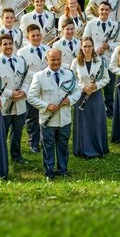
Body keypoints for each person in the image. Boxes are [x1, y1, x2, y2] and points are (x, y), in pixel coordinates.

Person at [27, 48, 82, 180]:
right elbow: (31, 97)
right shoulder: (39, 76)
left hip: (64, 118)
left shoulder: (69, 74)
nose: (56, 62)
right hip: (47, 119)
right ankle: (49, 172)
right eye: (53, 60)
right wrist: (47, 106)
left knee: (63, 145)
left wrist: (70, 100)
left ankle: (62, 170)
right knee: (48, 146)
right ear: (47, 60)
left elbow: (77, 91)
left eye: (58, 59)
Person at [0, 34, 29, 165]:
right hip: (4, 104)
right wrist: (10, 93)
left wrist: (23, 91)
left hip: (19, 102)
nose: (8, 46)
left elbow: (26, 79)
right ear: (0, 45)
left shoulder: (20, 60)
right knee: (2, 133)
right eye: (5, 44)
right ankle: (0, 157)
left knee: (18, 132)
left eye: (10, 43)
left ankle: (16, 156)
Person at [71, 37, 110, 159]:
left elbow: (106, 78)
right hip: (81, 96)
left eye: (89, 46)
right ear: (81, 48)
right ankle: (82, 148)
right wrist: (83, 88)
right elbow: (72, 80)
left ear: (93, 47)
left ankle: (97, 148)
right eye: (85, 46)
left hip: (96, 94)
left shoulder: (100, 60)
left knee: (96, 121)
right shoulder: (75, 62)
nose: (87, 49)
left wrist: (96, 86)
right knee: (82, 122)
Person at [17, 24, 51, 154]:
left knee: (46, 114)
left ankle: (45, 140)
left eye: (38, 35)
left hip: (47, 87)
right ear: (28, 37)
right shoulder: (22, 52)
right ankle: (33, 142)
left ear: (41, 36)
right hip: (32, 87)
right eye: (33, 36)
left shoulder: (48, 49)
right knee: (32, 117)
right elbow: (22, 72)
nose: (36, 38)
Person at [83, 2, 120, 116]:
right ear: (98, 11)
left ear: (110, 11)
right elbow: (85, 40)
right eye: (102, 9)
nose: (104, 12)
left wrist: (109, 46)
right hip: (94, 60)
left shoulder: (115, 25)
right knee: (93, 84)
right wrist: (95, 50)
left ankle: (110, 110)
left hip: (109, 60)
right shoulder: (91, 24)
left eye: (106, 10)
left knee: (109, 87)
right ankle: (93, 108)